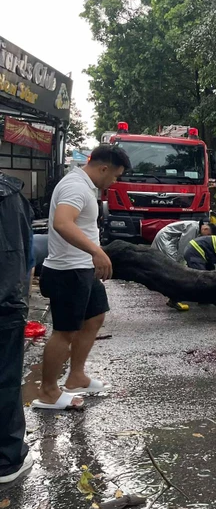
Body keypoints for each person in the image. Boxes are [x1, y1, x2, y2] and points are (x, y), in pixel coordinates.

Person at [33, 145, 131, 411]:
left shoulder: (85, 185)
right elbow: (63, 223)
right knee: (65, 331)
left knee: (95, 316)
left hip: (82, 268)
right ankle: (48, 392)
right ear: (103, 168)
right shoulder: (75, 187)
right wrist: (96, 251)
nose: (114, 182)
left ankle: (76, 376)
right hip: (68, 271)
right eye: (115, 176)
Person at [0, 172, 34, 483]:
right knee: (5, 381)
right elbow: (26, 253)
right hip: (5, 304)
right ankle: (7, 461)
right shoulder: (10, 196)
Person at [152, 219, 216, 309]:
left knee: (174, 264)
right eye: (208, 235)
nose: (207, 237)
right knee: (175, 265)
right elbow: (184, 247)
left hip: (171, 239)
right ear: (206, 229)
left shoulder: (196, 228)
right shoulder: (193, 227)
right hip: (167, 238)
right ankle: (173, 292)